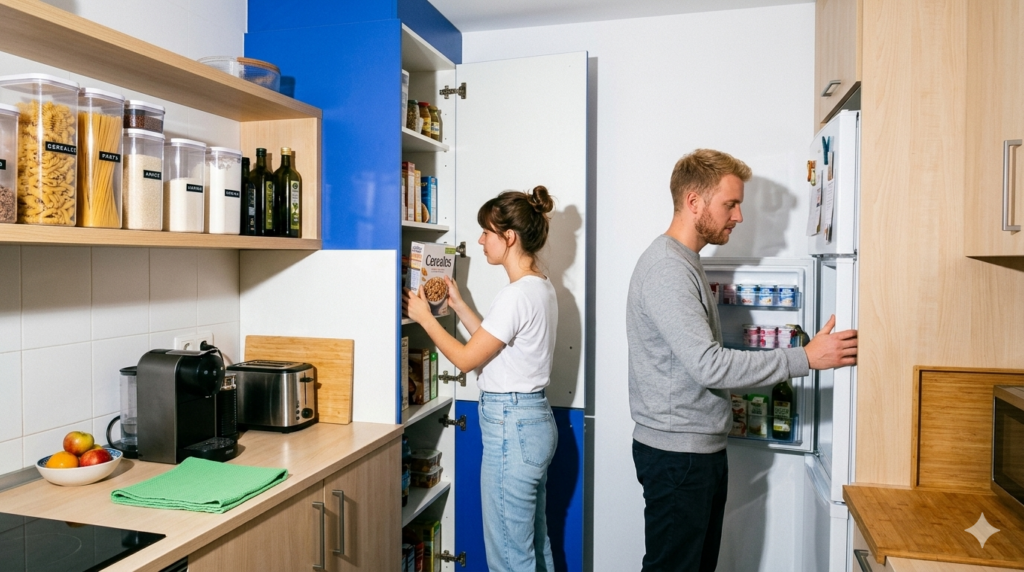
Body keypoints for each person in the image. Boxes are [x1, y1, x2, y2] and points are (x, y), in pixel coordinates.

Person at [626, 149, 858, 572]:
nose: (739, 216)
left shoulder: (685, 262)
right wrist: (804, 358)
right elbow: (709, 366)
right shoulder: (667, 269)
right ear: (694, 201)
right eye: (730, 204)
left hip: (694, 450)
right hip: (679, 456)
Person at [404, 185, 559, 572]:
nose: (480, 240)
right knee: (534, 544)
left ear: (509, 237)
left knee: (509, 556)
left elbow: (465, 359)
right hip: (534, 421)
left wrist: (425, 319)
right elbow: (492, 344)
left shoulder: (515, 295)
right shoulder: (540, 286)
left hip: (512, 426)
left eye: (487, 232)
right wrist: (458, 305)